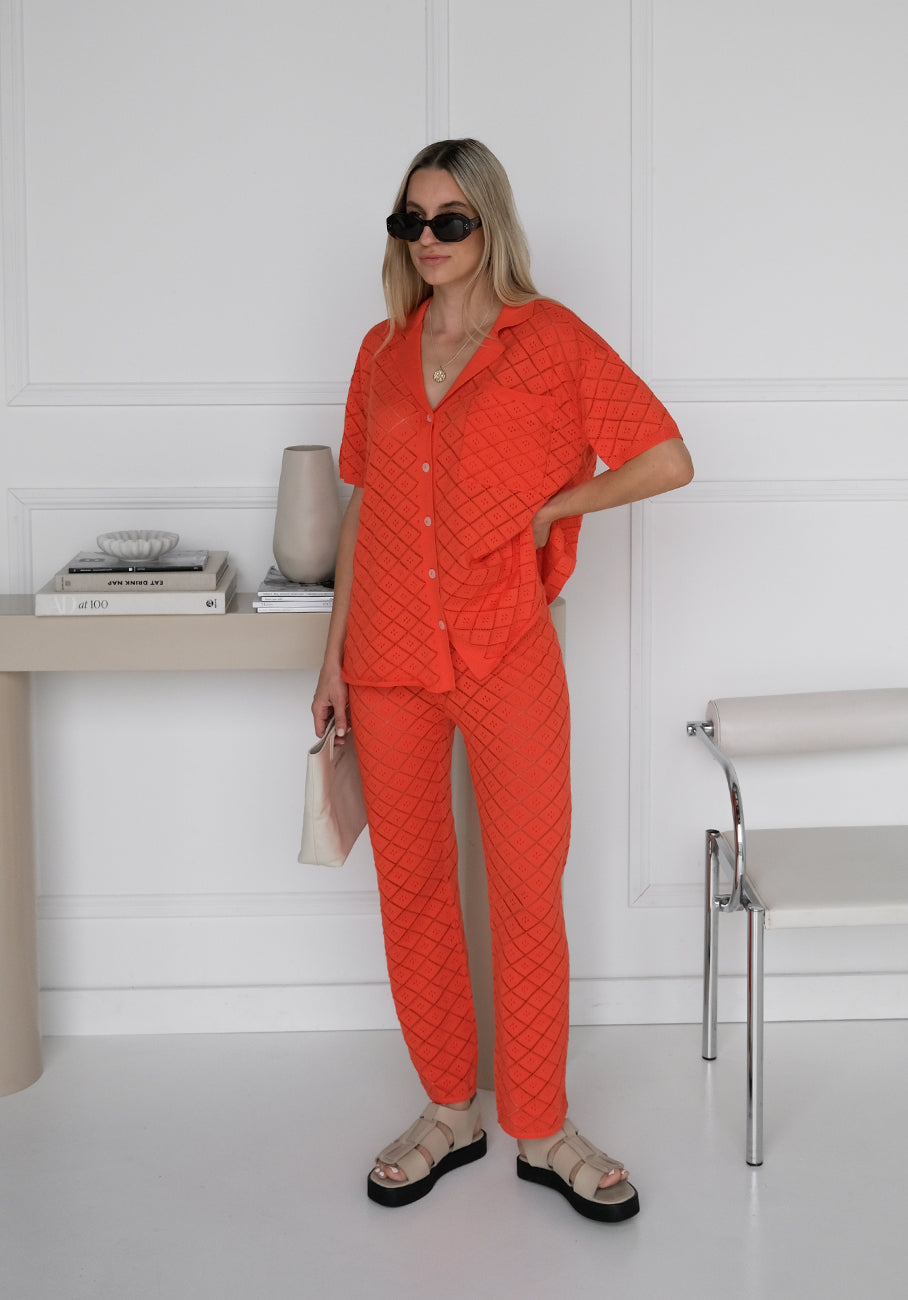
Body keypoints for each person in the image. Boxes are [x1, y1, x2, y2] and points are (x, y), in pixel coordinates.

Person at [312, 138, 692, 1222]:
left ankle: (542, 1127)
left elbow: (665, 456)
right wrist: (332, 658)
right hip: (387, 656)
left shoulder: (549, 340)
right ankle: (449, 1110)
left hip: (505, 648)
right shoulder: (381, 351)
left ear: (489, 225)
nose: (426, 240)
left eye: (449, 221)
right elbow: (362, 507)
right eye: (410, 221)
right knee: (413, 887)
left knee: (527, 888)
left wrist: (553, 509)